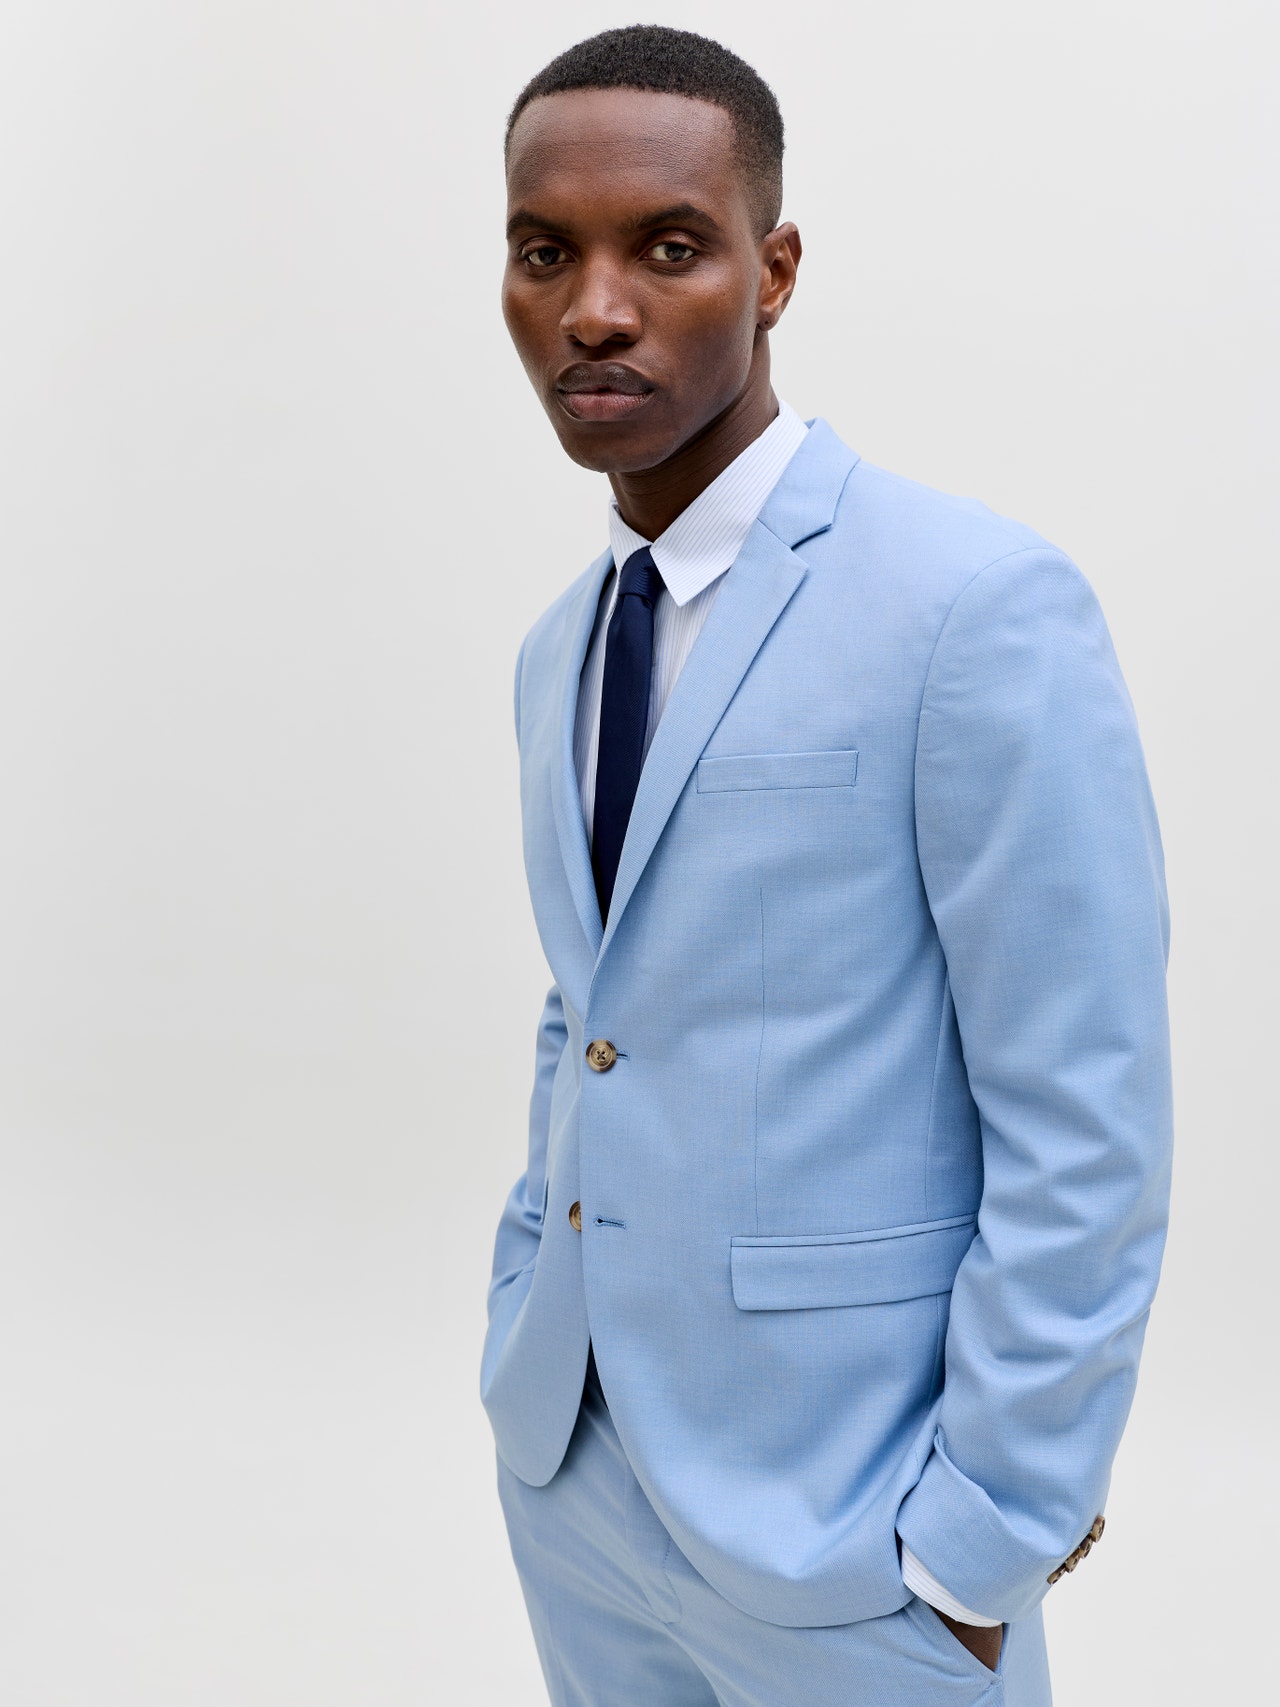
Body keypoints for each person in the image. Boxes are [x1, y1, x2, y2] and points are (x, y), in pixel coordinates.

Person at [480, 25, 1172, 1706]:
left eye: (667, 248)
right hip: (578, 1480)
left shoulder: (970, 606)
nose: (595, 310)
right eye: (544, 252)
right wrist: (523, 1327)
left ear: (773, 269)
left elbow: (1085, 1104)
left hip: (854, 1534)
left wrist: (989, 1534)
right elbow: (596, 1009)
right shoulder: (563, 646)